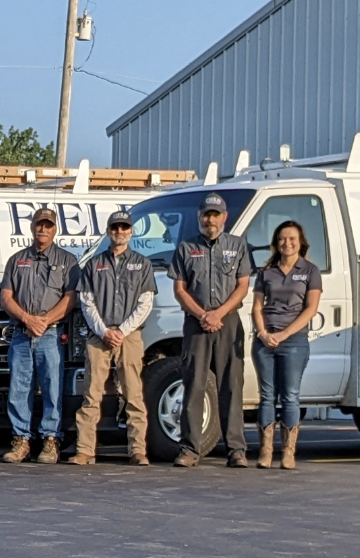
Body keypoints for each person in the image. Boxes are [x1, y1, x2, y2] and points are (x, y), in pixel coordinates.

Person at [168, 192, 252, 468]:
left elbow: (242, 286)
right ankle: (190, 449)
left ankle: (236, 450)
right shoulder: (185, 248)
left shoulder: (237, 246)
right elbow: (179, 289)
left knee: (231, 385)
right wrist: (202, 314)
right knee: (194, 384)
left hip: (227, 322)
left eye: (216, 215)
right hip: (196, 323)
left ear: (224, 217)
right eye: (206, 214)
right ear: (199, 217)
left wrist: (219, 313)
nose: (210, 220)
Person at [69, 211, 156, 466]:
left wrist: (122, 331)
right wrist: (104, 331)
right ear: (108, 232)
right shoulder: (94, 265)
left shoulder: (143, 264)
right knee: (91, 395)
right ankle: (85, 450)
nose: (120, 232)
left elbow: (146, 303)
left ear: (131, 232)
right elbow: (87, 301)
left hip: (129, 336)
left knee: (133, 394)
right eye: (115, 228)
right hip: (99, 335)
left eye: (124, 228)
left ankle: (137, 450)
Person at [0, 208, 79, 464]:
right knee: (18, 389)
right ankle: (21, 439)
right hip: (22, 334)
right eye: (38, 224)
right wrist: (27, 318)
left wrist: (44, 320)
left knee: (52, 388)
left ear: (55, 229)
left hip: (50, 335)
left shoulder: (69, 261)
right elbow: (6, 297)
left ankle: (50, 440)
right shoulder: (17, 259)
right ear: (32, 227)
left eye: (48, 225)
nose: (42, 229)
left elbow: (71, 298)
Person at [252, 220, 321, 470]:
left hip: (294, 341)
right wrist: (262, 332)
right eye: (282, 239)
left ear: (300, 242)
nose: (287, 243)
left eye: (292, 239)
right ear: (275, 243)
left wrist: (284, 334)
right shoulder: (266, 272)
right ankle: (266, 451)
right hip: (264, 341)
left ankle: (288, 453)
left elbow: (311, 308)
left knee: (290, 396)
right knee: (267, 397)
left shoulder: (310, 271)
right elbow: (257, 307)